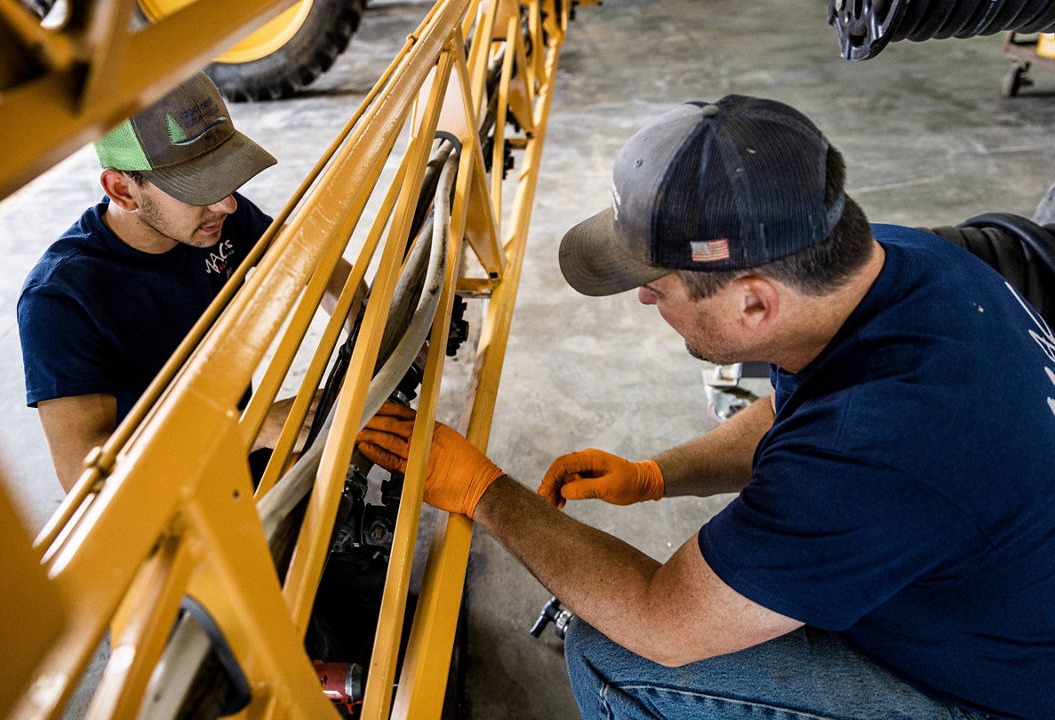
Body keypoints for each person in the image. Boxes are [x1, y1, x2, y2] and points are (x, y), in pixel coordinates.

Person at [357, 95, 1055, 719]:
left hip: (1004, 693)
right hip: (994, 595)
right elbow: (797, 412)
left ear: (754, 301)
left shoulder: (874, 448)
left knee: (617, 660)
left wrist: (487, 494)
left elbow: (664, 621)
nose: (643, 300)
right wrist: (656, 475)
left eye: (659, 289)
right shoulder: (903, 262)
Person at [19, 72, 353, 490]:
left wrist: (365, 319)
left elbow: (307, 253)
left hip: (235, 451)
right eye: (197, 187)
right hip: (160, 495)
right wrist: (248, 429)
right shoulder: (61, 300)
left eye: (224, 177)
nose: (227, 202)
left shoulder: (214, 220)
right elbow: (81, 478)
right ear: (122, 190)